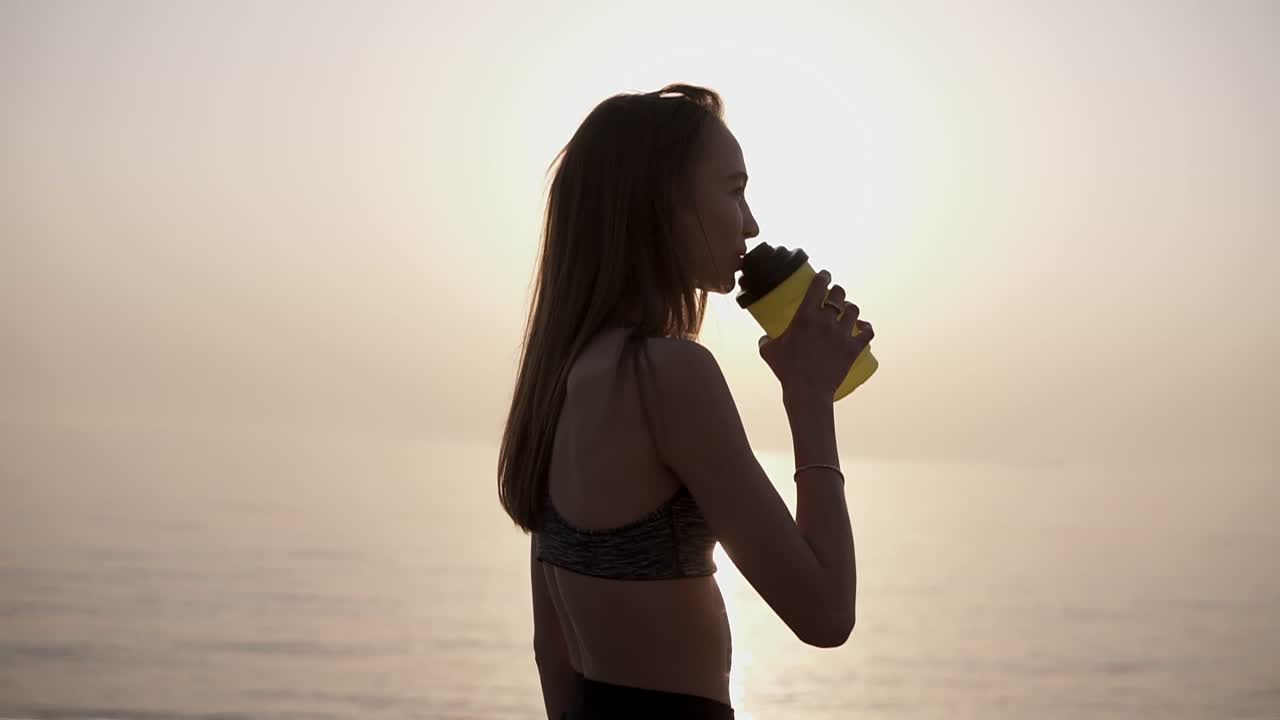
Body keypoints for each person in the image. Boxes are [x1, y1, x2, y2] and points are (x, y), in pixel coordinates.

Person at [497, 83, 874, 720]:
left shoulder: (555, 381)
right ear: (661, 202)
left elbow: (552, 652)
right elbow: (825, 613)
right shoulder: (668, 375)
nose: (751, 223)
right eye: (733, 190)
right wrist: (810, 401)